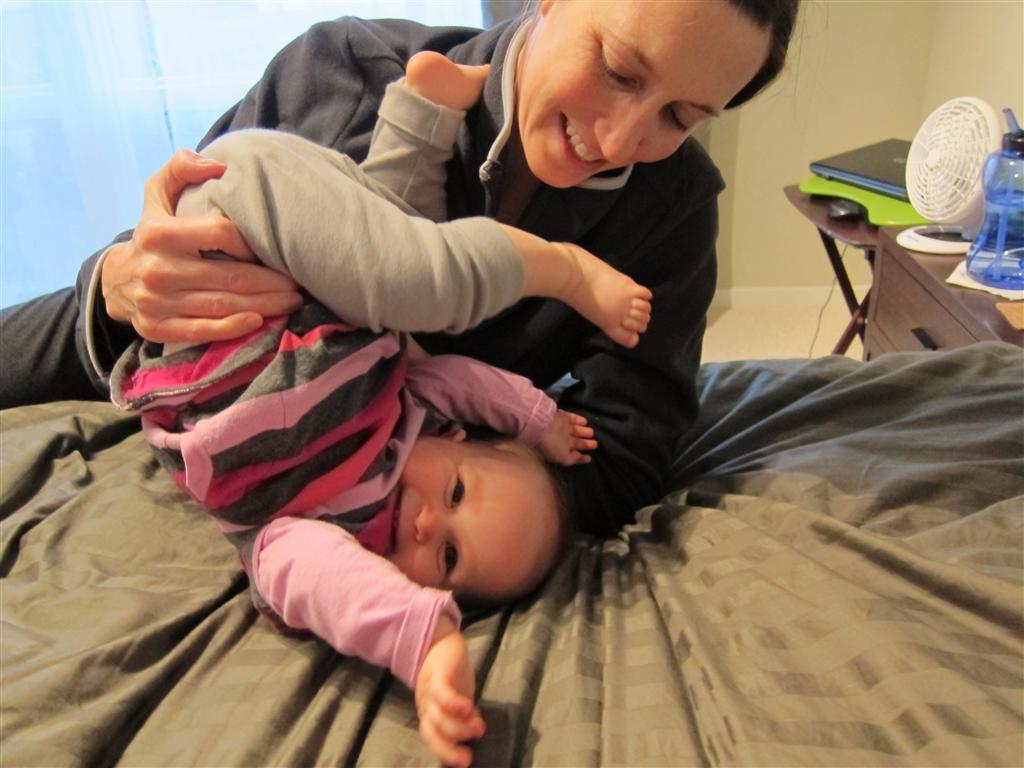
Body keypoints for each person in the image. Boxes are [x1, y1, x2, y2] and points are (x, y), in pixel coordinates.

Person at [0, 0, 799, 587]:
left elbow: (621, 458)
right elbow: (160, 278)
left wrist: (404, 483)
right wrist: (120, 283)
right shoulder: (342, 74)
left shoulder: (672, 209)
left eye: (679, 117)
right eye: (620, 70)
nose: (621, 139)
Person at [111, 54, 651, 768]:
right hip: (253, 216)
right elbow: (459, 381)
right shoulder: (404, 409)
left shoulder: (304, 538)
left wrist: (423, 642)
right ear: (455, 439)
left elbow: (334, 589)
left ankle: (420, 110)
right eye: (456, 492)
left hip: (231, 254)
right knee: (408, 281)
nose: (427, 522)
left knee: (389, 259)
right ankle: (563, 267)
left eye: (448, 557)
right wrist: (536, 420)